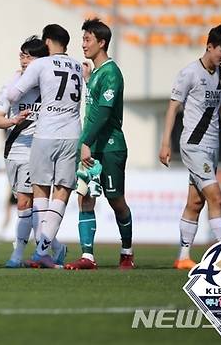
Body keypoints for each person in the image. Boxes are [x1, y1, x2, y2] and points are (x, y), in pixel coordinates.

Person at [159, 24, 221, 270]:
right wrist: (166, 142)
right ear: (209, 46)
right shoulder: (189, 73)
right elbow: (173, 107)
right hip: (193, 145)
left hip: (212, 147)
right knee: (216, 197)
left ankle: (183, 257)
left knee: (195, 203)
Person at [64, 18, 135, 270]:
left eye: (87, 39)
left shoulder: (112, 73)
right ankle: (88, 257)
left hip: (110, 147)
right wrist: (87, 80)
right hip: (91, 147)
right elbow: (94, 107)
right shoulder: (95, 74)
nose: (83, 44)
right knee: (84, 198)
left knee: (116, 200)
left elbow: (104, 114)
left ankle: (126, 252)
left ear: (101, 42)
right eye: (83, 39)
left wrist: (86, 142)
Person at [7, 26, 81, 269]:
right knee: (62, 191)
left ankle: (42, 250)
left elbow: (12, 95)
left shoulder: (41, 65)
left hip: (46, 133)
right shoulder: (79, 67)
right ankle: (43, 249)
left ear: (47, 41)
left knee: (40, 190)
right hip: (72, 134)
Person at [0, 35, 69, 268]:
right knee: (26, 204)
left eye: (30, 56)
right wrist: (14, 120)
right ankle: (54, 246)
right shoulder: (12, 84)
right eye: (22, 55)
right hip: (12, 151)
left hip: (36, 151)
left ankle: (17, 254)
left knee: (25, 204)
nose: (24, 61)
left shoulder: (50, 87)